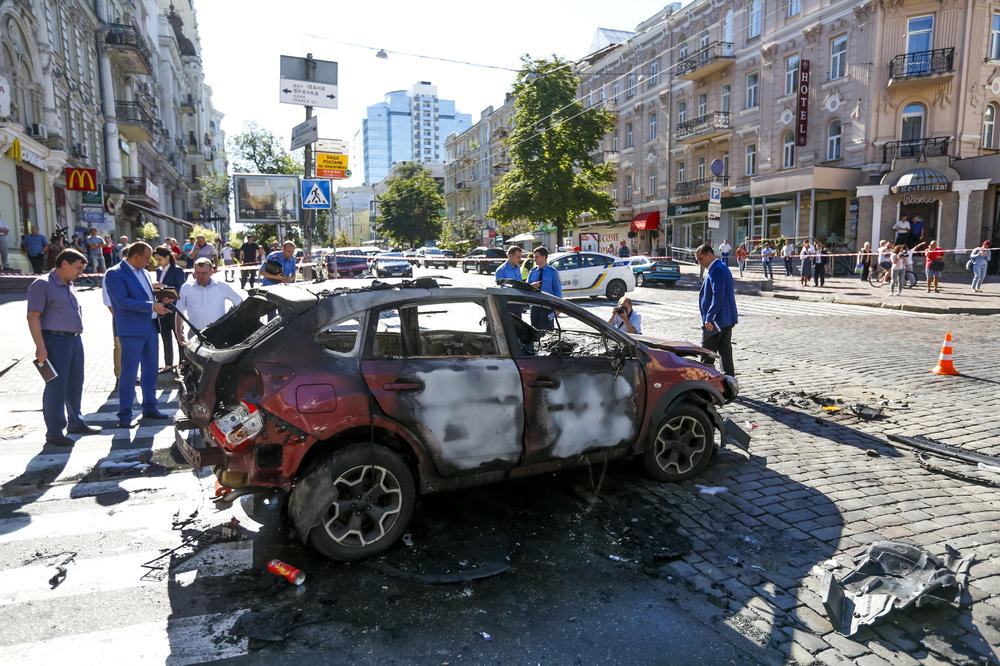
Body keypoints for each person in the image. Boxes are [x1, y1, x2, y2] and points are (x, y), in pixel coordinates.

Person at [26, 248, 102, 446]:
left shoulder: (69, 283)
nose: (81, 273)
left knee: (75, 383)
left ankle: (76, 422)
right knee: (56, 387)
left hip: (74, 340)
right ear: (64, 264)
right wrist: (40, 347)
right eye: (78, 268)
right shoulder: (42, 284)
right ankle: (55, 432)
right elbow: (33, 316)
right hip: (54, 341)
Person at [104, 241, 172, 428]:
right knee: (129, 372)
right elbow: (121, 301)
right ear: (135, 256)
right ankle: (125, 415)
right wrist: (152, 306)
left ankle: (150, 407)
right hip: (131, 328)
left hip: (150, 326)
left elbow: (145, 296)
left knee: (151, 370)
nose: (150, 262)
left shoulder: (144, 272)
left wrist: (160, 299)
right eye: (147, 258)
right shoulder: (114, 273)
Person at [174, 258, 244, 340]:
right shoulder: (186, 288)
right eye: (197, 273)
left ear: (212, 272)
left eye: (204, 273)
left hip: (217, 333)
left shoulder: (221, 286)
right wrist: (178, 332)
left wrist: (230, 321)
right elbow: (180, 311)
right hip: (194, 334)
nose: (200, 276)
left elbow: (240, 303)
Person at [696, 244, 738, 376]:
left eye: (701, 259)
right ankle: (729, 383)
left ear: (710, 255)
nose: (699, 262)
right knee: (725, 353)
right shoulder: (718, 267)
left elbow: (718, 295)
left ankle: (704, 383)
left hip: (716, 321)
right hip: (724, 319)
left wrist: (709, 317)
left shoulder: (717, 269)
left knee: (707, 355)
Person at [153, 246, 186, 372]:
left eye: (160, 259)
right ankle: (168, 364)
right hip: (161, 306)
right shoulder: (158, 270)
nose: (158, 262)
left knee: (179, 335)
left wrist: (164, 286)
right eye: (156, 259)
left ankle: (183, 362)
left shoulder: (177, 270)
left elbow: (181, 288)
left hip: (174, 307)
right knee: (165, 336)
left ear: (167, 257)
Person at [527, 245, 561, 330]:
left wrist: (557, 310)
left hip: (547, 308)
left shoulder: (553, 272)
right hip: (535, 307)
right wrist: (531, 286)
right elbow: (526, 288)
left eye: (537, 257)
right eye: (534, 257)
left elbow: (558, 292)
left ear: (544, 257)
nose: (534, 259)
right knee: (534, 332)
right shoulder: (532, 272)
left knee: (547, 333)